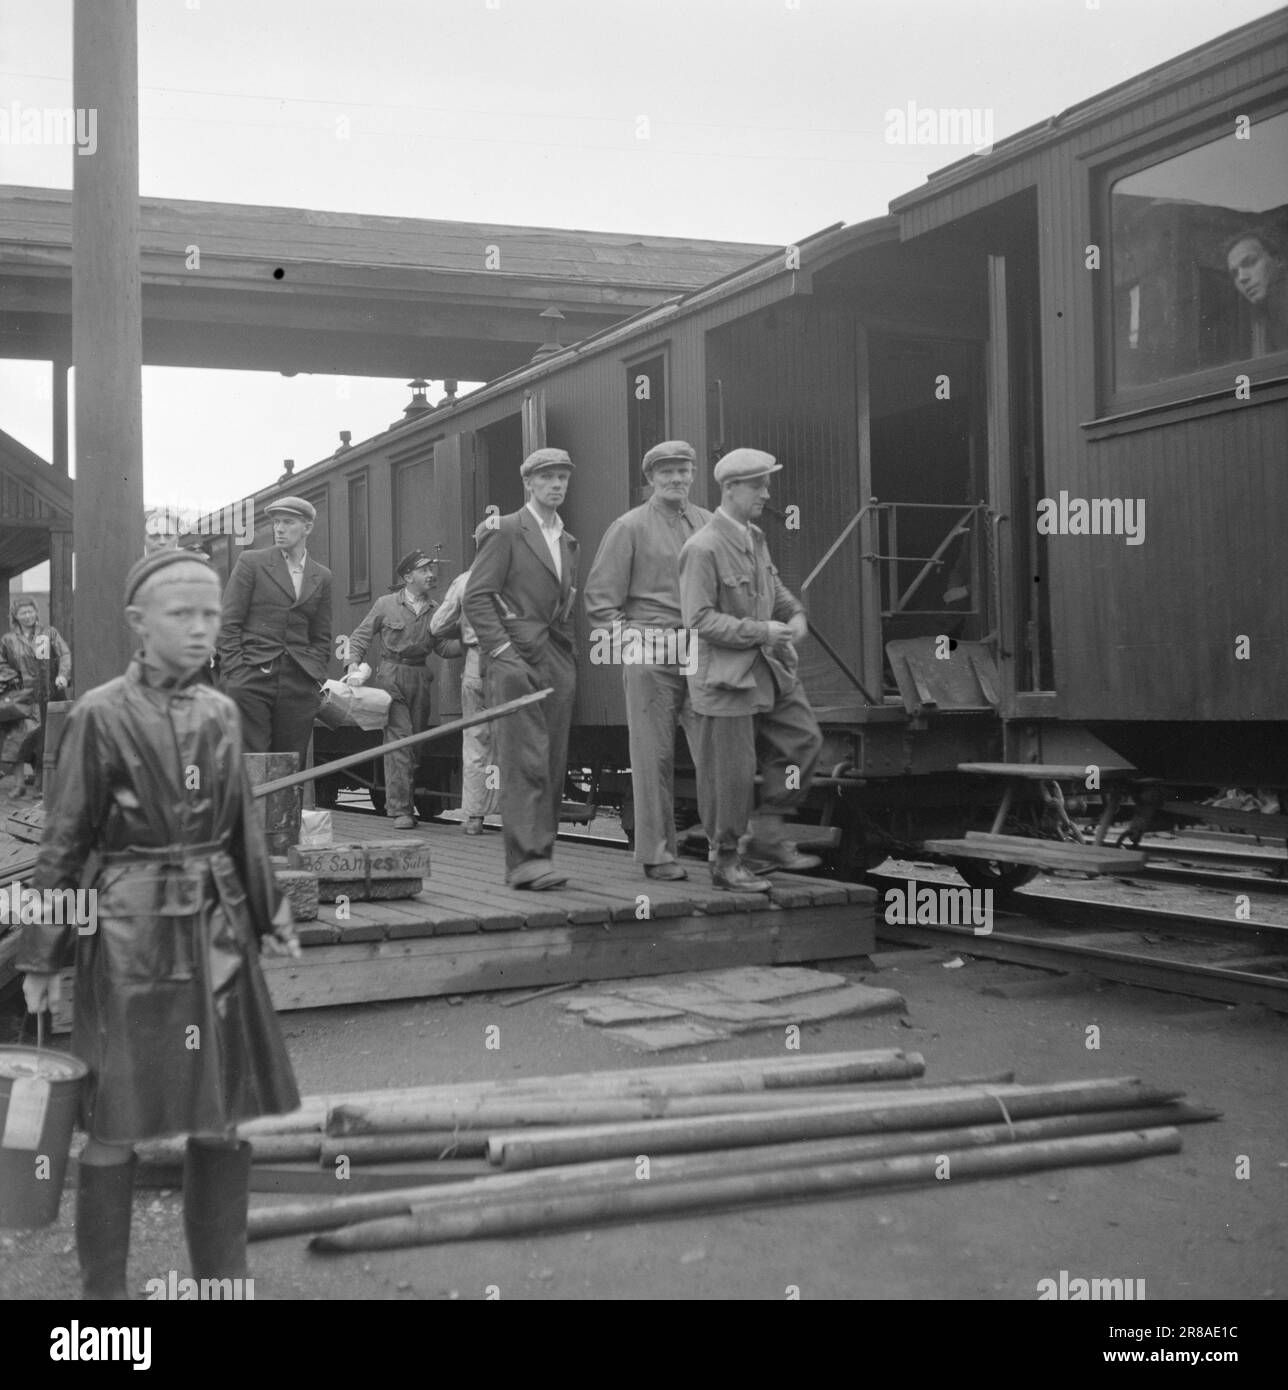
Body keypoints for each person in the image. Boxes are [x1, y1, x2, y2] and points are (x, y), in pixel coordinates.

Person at [18, 548, 301, 1300]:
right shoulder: (97, 714)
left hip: (217, 929)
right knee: (116, 1118)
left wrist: (271, 915)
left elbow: (244, 825)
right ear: (139, 623)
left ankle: (221, 1282)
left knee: (222, 1110)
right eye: (183, 614)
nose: (203, 628)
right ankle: (104, 1301)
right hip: (126, 930)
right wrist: (42, 956)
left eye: (212, 613)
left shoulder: (222, 712)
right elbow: (64, 839)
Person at [679, 447, 824, 892]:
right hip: (724, 678)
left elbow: (773, 586)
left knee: (804, 740)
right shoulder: (702, 548)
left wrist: (795, 613)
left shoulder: (754, 536)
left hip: (768, 670)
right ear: (730, 488)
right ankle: (725, 860)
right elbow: (699, 620)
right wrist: (762, 630)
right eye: (757, 485)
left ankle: (766, 830)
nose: (766, 492)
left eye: (766, 483)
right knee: (732, 774)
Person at [584, 440, 712, 880]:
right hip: (650, 650)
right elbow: (600, 601)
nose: (676, 479)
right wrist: (631, 642)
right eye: (667, 472)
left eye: (683, 471)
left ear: (694, 474)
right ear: (651, 479)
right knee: (652, 757)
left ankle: (727, 853)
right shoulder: (629, 527)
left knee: (717, 752)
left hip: (701, 650)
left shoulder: (710, 524)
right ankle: (656, 855)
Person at [463, 448, 579, 889]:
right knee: (523, 760)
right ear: (528, 483)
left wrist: (564, 656)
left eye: (562, 477)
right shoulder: (507, 530)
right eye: (547, 477)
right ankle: (525, 862)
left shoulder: (568, 541)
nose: (556, 485)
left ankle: (541, 857)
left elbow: (564, 607)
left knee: (552, 761)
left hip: (555, 660)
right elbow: (478, 595)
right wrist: (503, 654)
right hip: (514, 661)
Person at [217, 496, 332, 763]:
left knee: (291, 763)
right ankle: (250, 807)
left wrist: (313, 675)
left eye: (288, 522)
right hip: (251, 677)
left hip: (298, 684)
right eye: (276, 522)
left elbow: (321, 634)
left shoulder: (321, 575)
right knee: (251, 763)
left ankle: (285, 808)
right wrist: (237, 674)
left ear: (307, 528)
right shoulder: (252, 562)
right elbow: (228, 622)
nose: (279, 528)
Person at [343, 549, 451, 829]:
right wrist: (353, 665)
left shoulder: (436, 609)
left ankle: (404, 802)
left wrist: (470, 641)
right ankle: (400, 809)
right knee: (399, 740)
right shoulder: (385, 604)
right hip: (392, 676)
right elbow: (360, 637)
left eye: (431, 569)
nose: (431, 574)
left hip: (420, 676)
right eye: (424, 570)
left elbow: (442, 647)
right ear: (407, 576)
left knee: (414, 744)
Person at [430, 524, 501, 834]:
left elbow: (436, 626)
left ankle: (474, 817)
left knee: (475, 742)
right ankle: (519, 815)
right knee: (516, 740)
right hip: (510, 666)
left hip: (475, 665)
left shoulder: (463, 581)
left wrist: (464, 633)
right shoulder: (516, 578)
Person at [0, 597, 71, 782]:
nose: (28, 615)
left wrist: (63, 675)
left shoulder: (48, 634)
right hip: (21, 699)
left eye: (30, 611)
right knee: (20, 737)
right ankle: (20, 783)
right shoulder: (8, 640)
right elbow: (1, 663)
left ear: (36, 612)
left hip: (46, 695)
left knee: (45, 739)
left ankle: (42, 783)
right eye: (23, 612)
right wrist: (12, 678)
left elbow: (64, 654)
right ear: (15, 616)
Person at [1225, 226, 1288, 356]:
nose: (1242, 278)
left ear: (1278, 260)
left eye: (1250, 262)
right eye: (1235, 273)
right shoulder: (1259, 324)